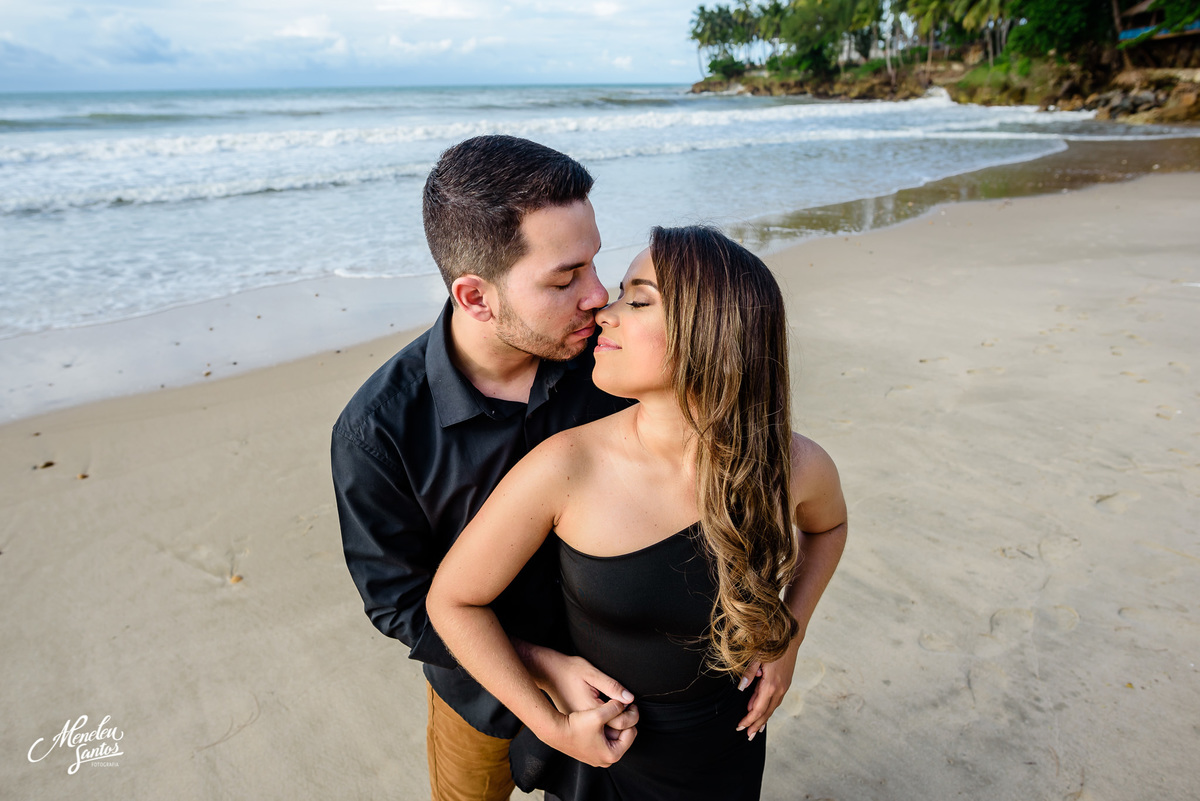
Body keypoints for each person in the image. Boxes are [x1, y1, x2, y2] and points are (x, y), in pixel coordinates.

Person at [428, 226, 848, 800]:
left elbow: (828, 527)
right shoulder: (566, 467)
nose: (605, 311)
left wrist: (788, 638)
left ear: (712, 334)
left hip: (726, 740)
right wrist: (555, 727)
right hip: (609, 748)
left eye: (638, 299)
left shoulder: (794, 465)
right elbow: (452, 600)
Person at [332, 135, 641, 801]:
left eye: (593, 262)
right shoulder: (378, 430)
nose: (598, 294)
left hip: (626, 680)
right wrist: (538, 665)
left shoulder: (612, 362)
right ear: (475, 297)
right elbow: (399, 601)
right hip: (476, 699)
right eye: (565, 278)